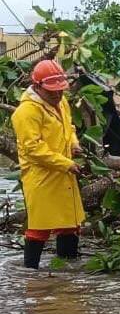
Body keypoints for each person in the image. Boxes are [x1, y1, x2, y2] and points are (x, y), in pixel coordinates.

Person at [11, 59, 85, 269]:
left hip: (63, 172)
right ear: (37, 87)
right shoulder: (26, 112)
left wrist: (74, 144)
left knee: (70, 224)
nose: (57, 95)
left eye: (60, 91)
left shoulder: (61, 102)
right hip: (41, 176)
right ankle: (30, 273)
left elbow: (68, 128)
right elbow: (33, 149)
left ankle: (67, 270)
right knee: (39, 227)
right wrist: (65, 163)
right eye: (52, 92)